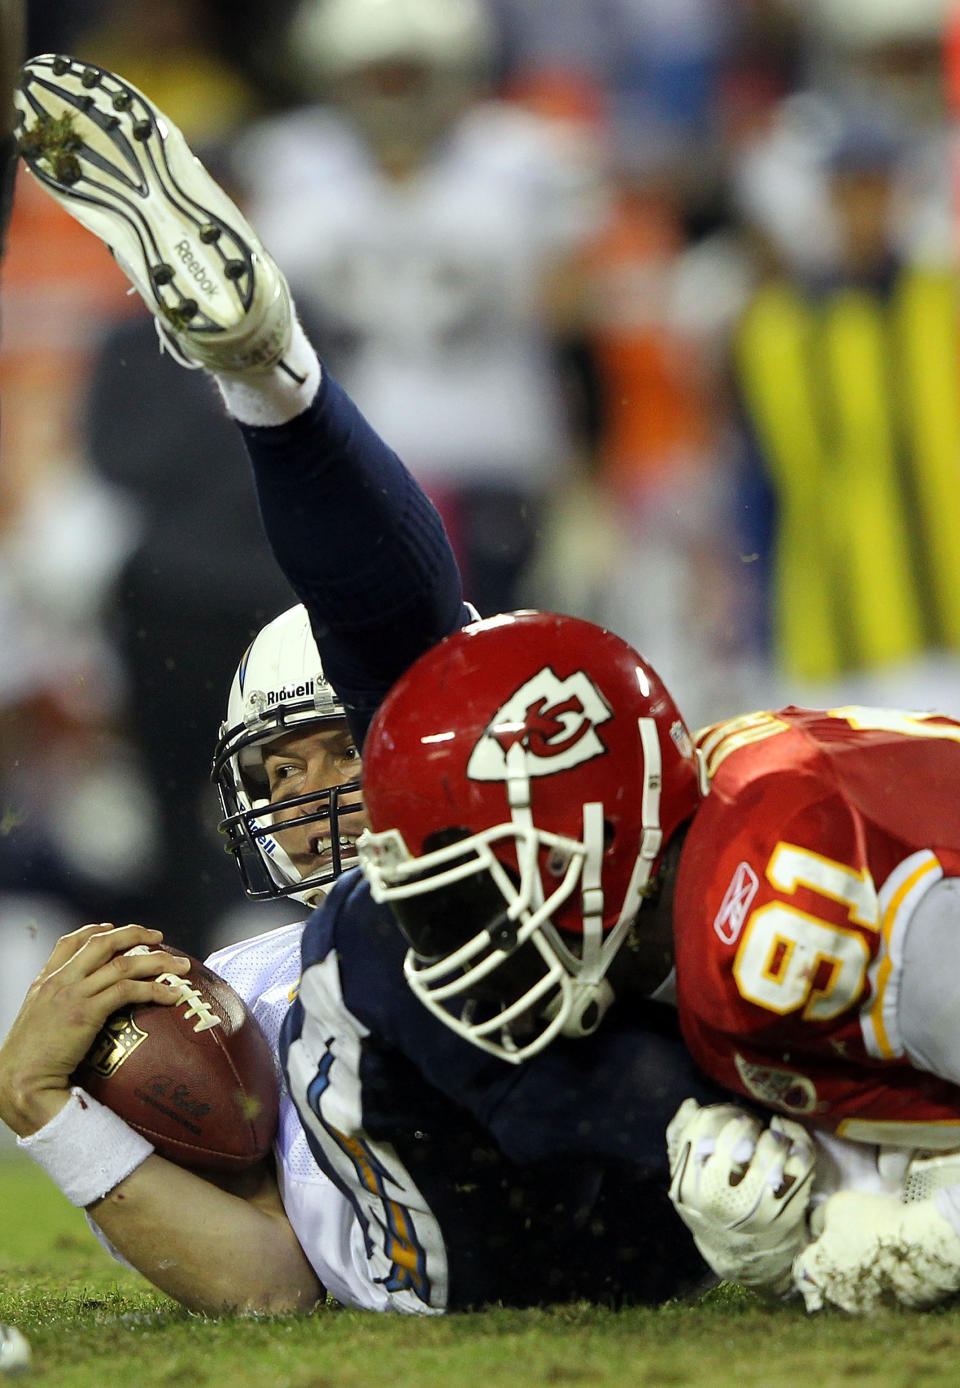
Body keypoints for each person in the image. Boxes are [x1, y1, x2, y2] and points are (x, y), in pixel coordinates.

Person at [15, 50, 960, 1321]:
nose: (318, 799)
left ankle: (277, 385)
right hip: (553, 1174)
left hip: (595, 1160)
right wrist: (45, 1112)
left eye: (338, 755)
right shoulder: (237, 989)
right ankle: (275, 386)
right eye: (276, 774)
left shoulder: (748, 906)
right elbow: (269, 1280)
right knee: (405, 898)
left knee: (411, 861)